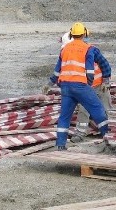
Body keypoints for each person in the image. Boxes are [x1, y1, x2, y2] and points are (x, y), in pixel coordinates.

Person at [44, 22, 109, 150]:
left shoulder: (64, 49)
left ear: (71, 34)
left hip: (65, 87)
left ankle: (60, 145)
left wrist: (49, 84)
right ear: (84, 34)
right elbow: (92, 70)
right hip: (80, 86)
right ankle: (109, 138)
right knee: (98, 110)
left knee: (64, 116)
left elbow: (57, 70)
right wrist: (92, 85)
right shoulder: (89, 48)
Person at [58, 30, 112, 142]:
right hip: (86, 87)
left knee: (106, 109)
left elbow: (105, 65)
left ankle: (110, 132)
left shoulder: (88, 51)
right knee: (84, 110)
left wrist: (106, 82)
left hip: (99, 85)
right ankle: (80, 133)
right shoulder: (74, 52)